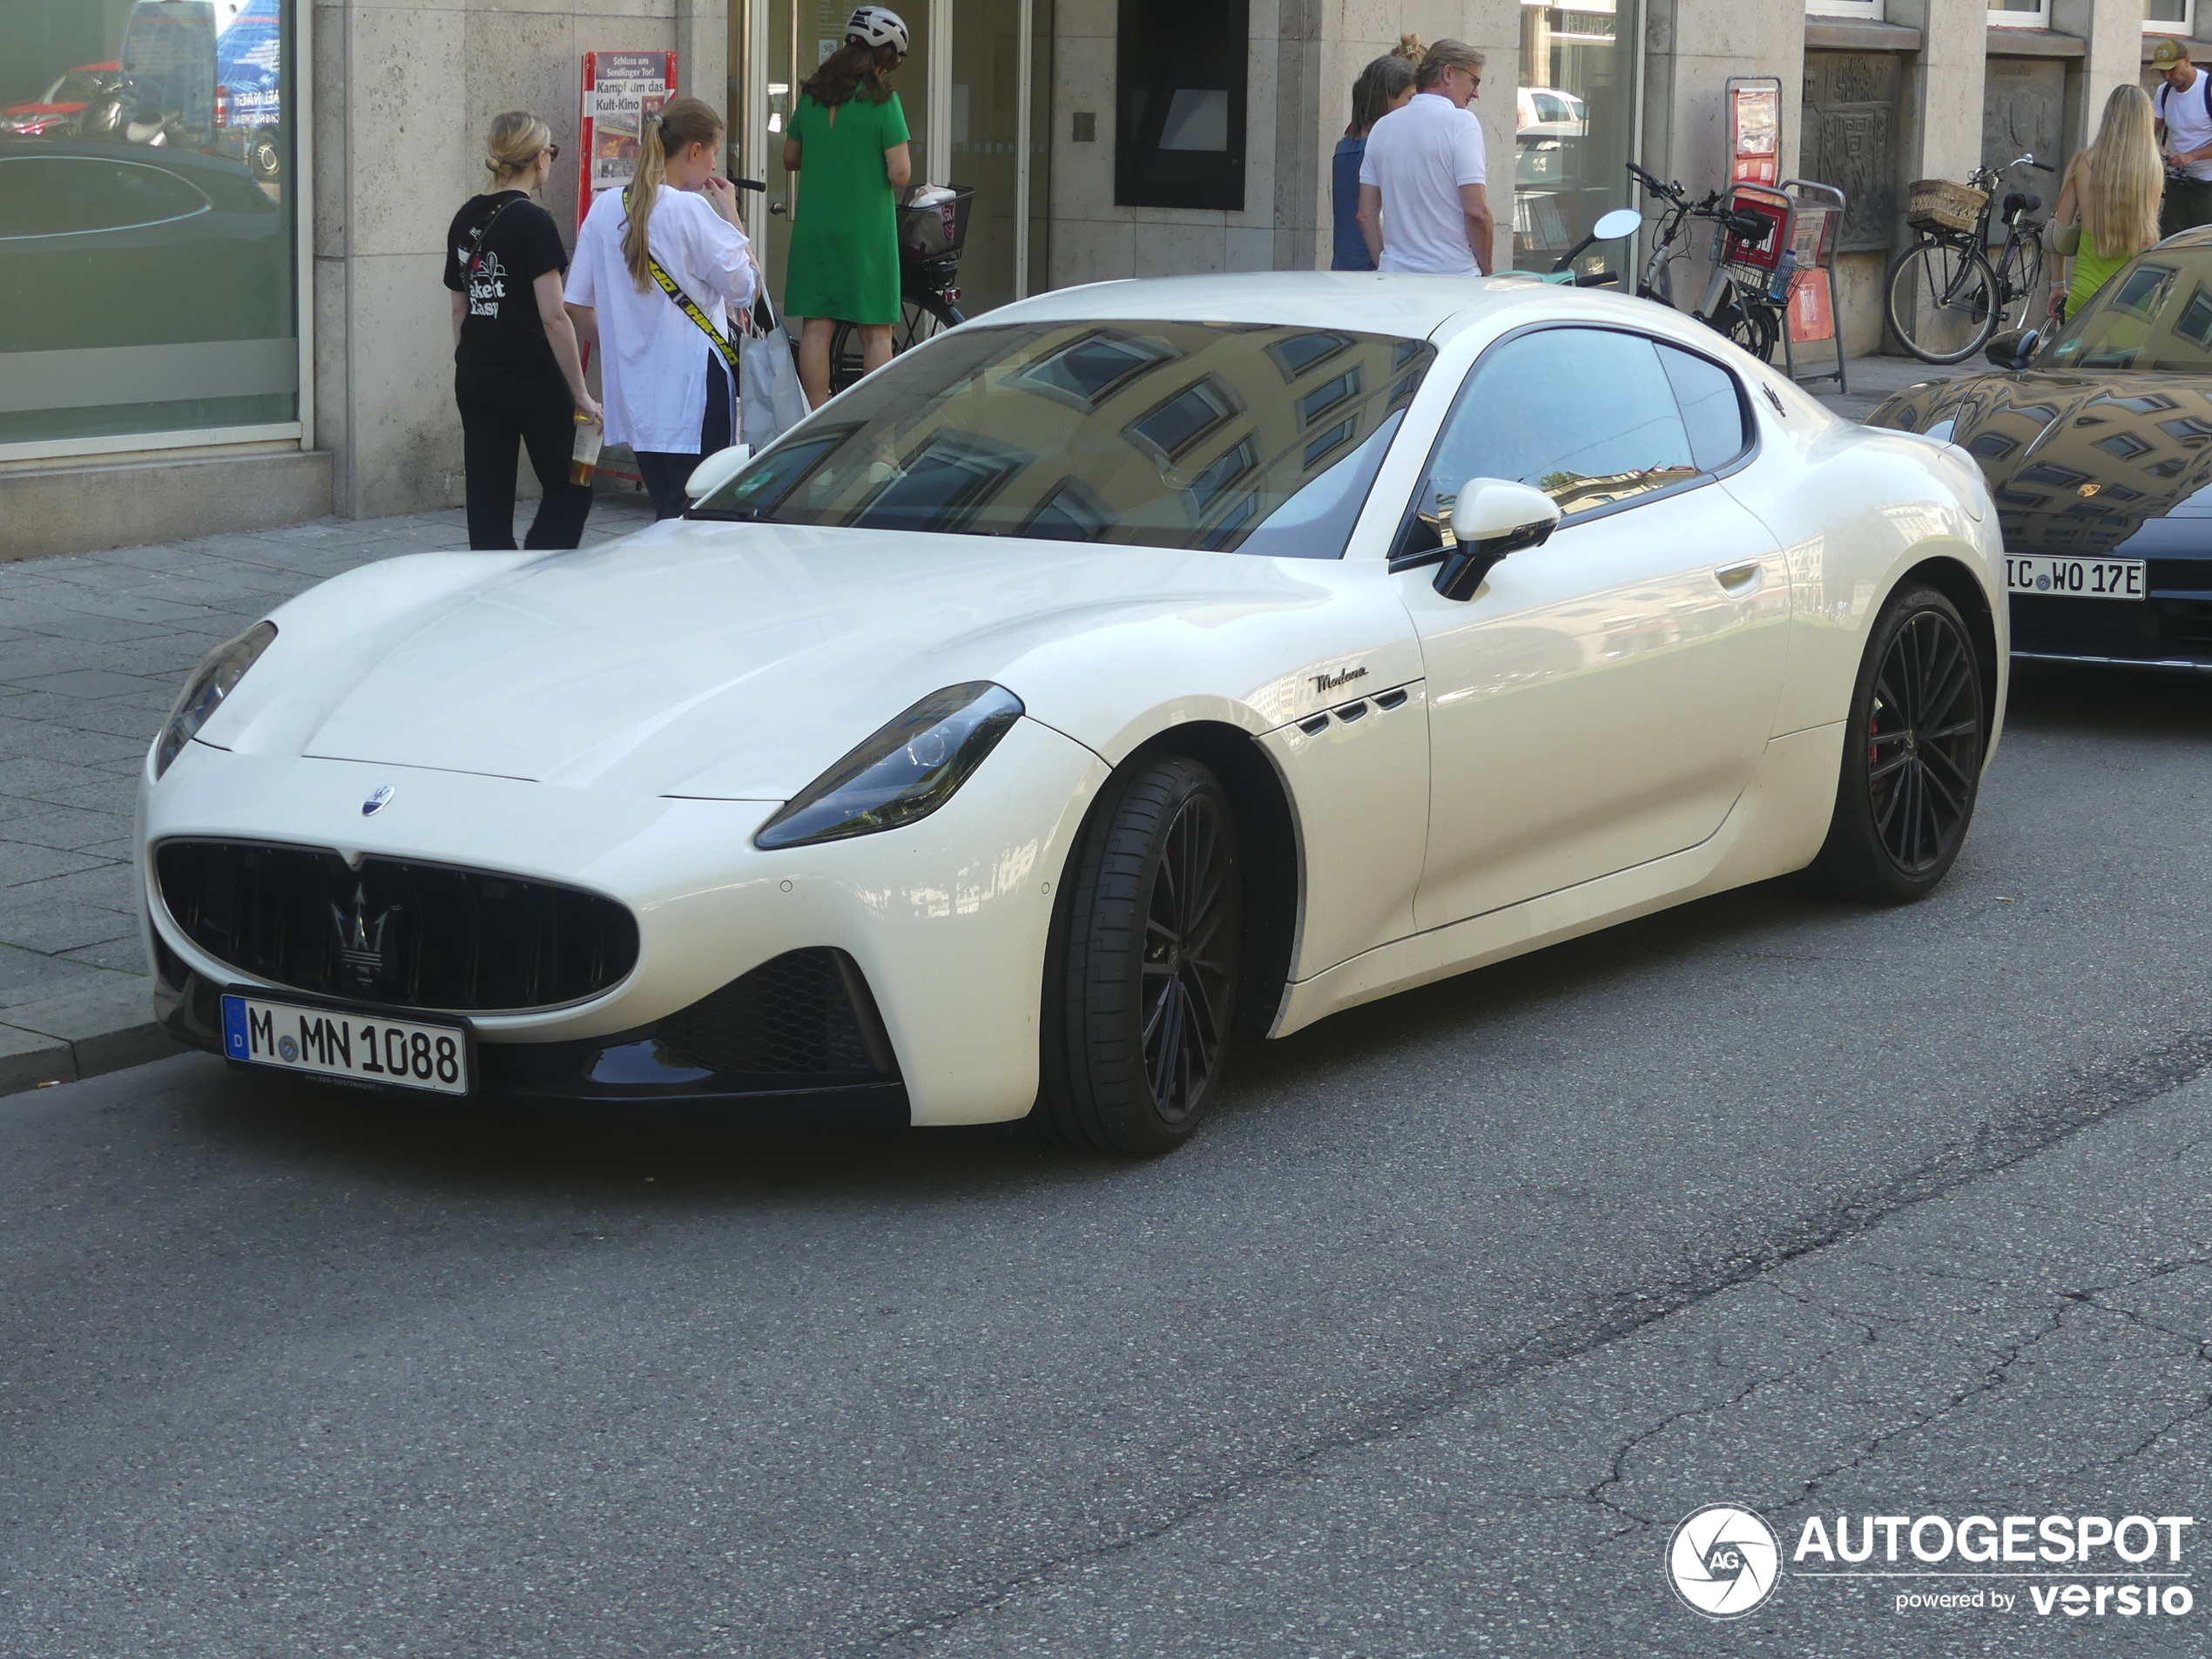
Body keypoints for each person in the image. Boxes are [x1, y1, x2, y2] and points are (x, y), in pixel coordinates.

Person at [563, 96, 759, 519]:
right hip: (694, 394)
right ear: (693, 151)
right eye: (713, 154)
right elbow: (747, 288)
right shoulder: (690, 209)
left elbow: (575, 304)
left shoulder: (605, 208)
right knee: (700, 519)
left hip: (636, 397)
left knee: (667, 514)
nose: (713, 166)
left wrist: (619, 344)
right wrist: (732, 216)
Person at [442, 111, 599, 550]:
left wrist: (470, 359)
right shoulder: (535, 222)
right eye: (551, 150)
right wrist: (581, 393)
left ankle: (493, 585)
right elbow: (554, 316)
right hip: (533, 378)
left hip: (476, 378)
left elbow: (459, 309)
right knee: (576, 482)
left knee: (487, 503)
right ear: (538, 159)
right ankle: (536, 575)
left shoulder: (465, 218)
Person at [784, 5, 914, 408]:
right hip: (865, 229)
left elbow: (790, 158)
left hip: (815, 227)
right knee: (876, 333)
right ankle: (868, 424)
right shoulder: (883, 102)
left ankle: (816, 418)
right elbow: (900, 173)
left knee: (816, 330)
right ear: (882, 56)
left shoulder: (813, 95)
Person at [1354, 40, 1494, 276]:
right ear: (1448, 73)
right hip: (1453, 278)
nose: (1476, 93)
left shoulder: (1382, 128)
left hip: (1394, 279)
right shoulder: (1462, 123)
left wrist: (1386, 265)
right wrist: (1488, 271)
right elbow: (1476, 212)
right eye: (1474, 80)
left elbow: (1365, 215)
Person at [2050, 84, 2163, 322]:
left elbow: (2058, 234)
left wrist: (2058, 285)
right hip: (2133, 296)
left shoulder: (2083, 162)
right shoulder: (2152, 169)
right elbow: (2148, 239)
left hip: (2084, 293)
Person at [1331, 42, 1420, 272]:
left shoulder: (1345, 146)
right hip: (1372, 269)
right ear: (1387, 99)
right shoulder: (1378, 149)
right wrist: (1385, 264)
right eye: (1409, 98)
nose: (1414, 107)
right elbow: (1368, 216)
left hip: (1345, 266)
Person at [2153, 38, 2212, 239]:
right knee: (2170, 241)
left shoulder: (2208, 88)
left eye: (2172, 68)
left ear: (2187, 60)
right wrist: (2154, 146)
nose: (2168, 76)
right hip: (2178, 182)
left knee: (2202, 245)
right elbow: (2151, 130)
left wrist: (2192, 156)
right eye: (2162, 71)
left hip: (2207, 184)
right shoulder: (2164, 92)